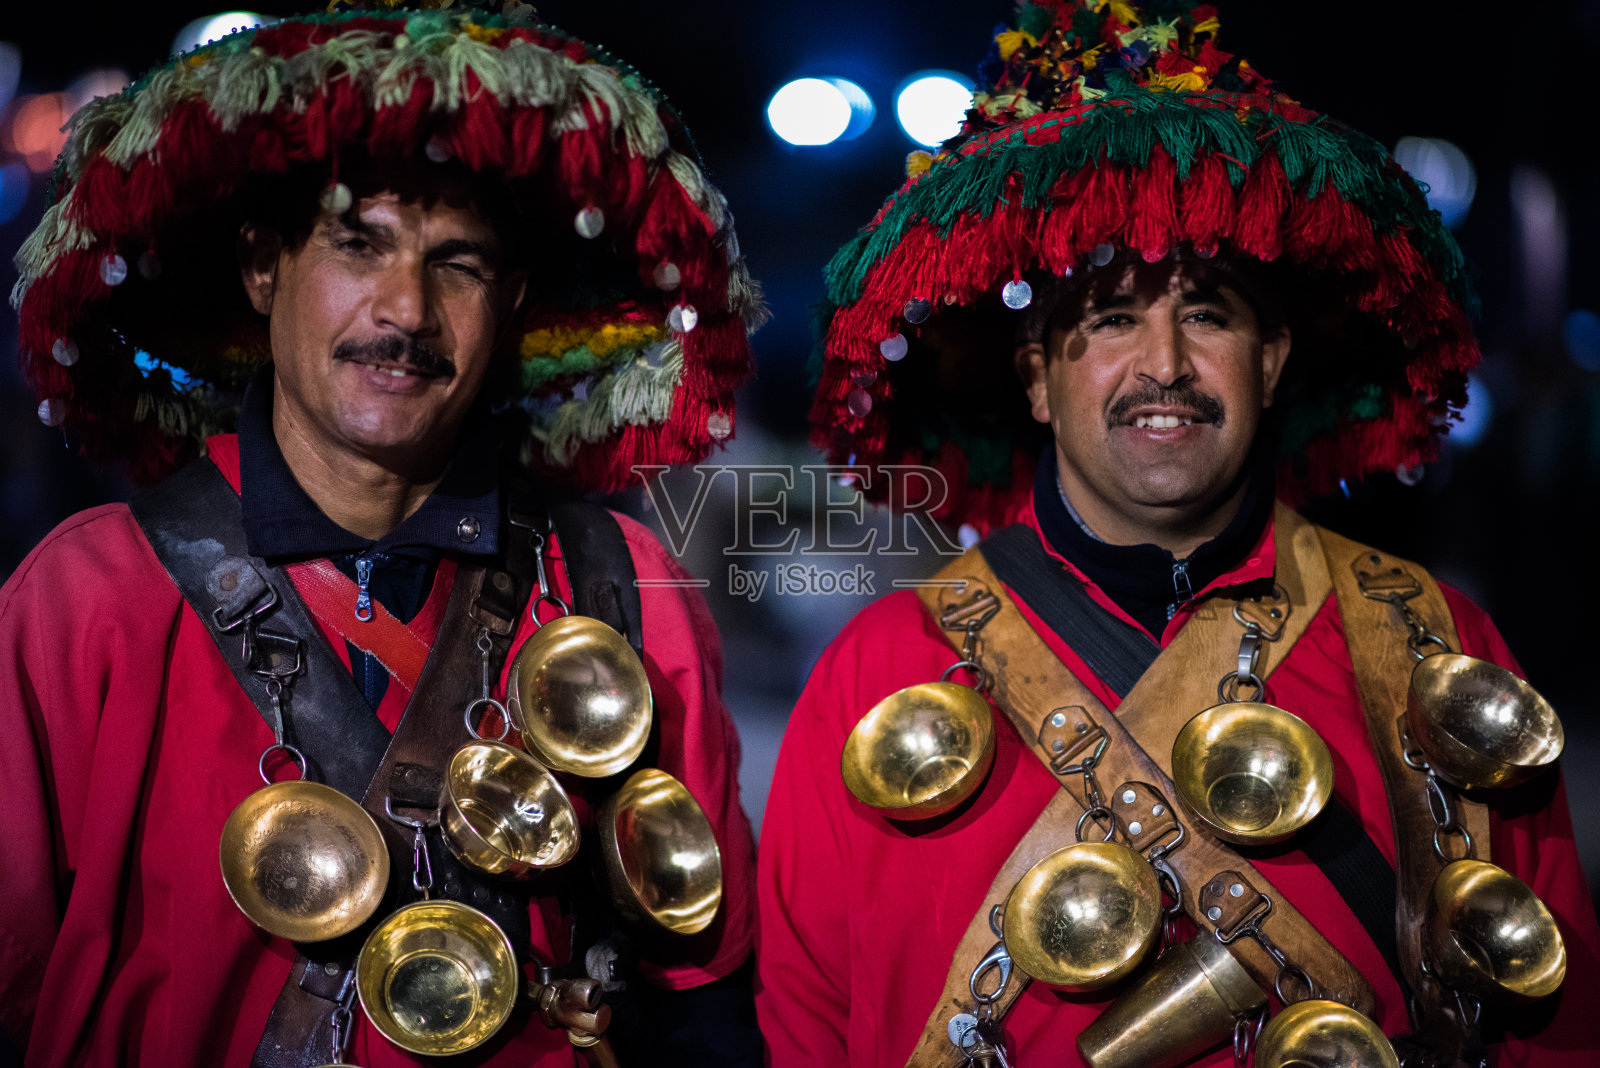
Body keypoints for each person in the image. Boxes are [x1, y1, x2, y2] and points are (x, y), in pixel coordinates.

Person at [757, 2, 1600, 1066]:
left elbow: (1549, 1019)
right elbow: (805, 1021)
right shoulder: (877, 670)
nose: (1163, 364)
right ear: (1035, 378)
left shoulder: (1433, 636)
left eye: (1206, 313)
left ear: (1273, 358)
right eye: (1111, 318)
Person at [0, 3, 763, 1065]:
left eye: (459, 264)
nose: (405, 310)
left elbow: (705, 994)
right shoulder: (87, 595)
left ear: (512, 302)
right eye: (360, 244)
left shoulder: (615, 582)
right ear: (263, 267)